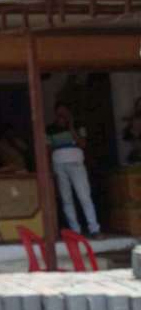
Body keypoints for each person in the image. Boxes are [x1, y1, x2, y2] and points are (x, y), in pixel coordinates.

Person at [46, 102, 100, 237]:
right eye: (59, 113)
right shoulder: (50, 129)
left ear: (69, 113)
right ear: (55, 114)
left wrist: (71, 127)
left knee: (84, 196)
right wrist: (49, 168)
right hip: (58, 165)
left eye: (64, 112)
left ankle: (94, 228)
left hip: (76, 164)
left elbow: (82, 144)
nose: (62, 115)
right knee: (66, 199)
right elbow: (48, 149)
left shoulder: (79, 125)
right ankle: (75, 230)